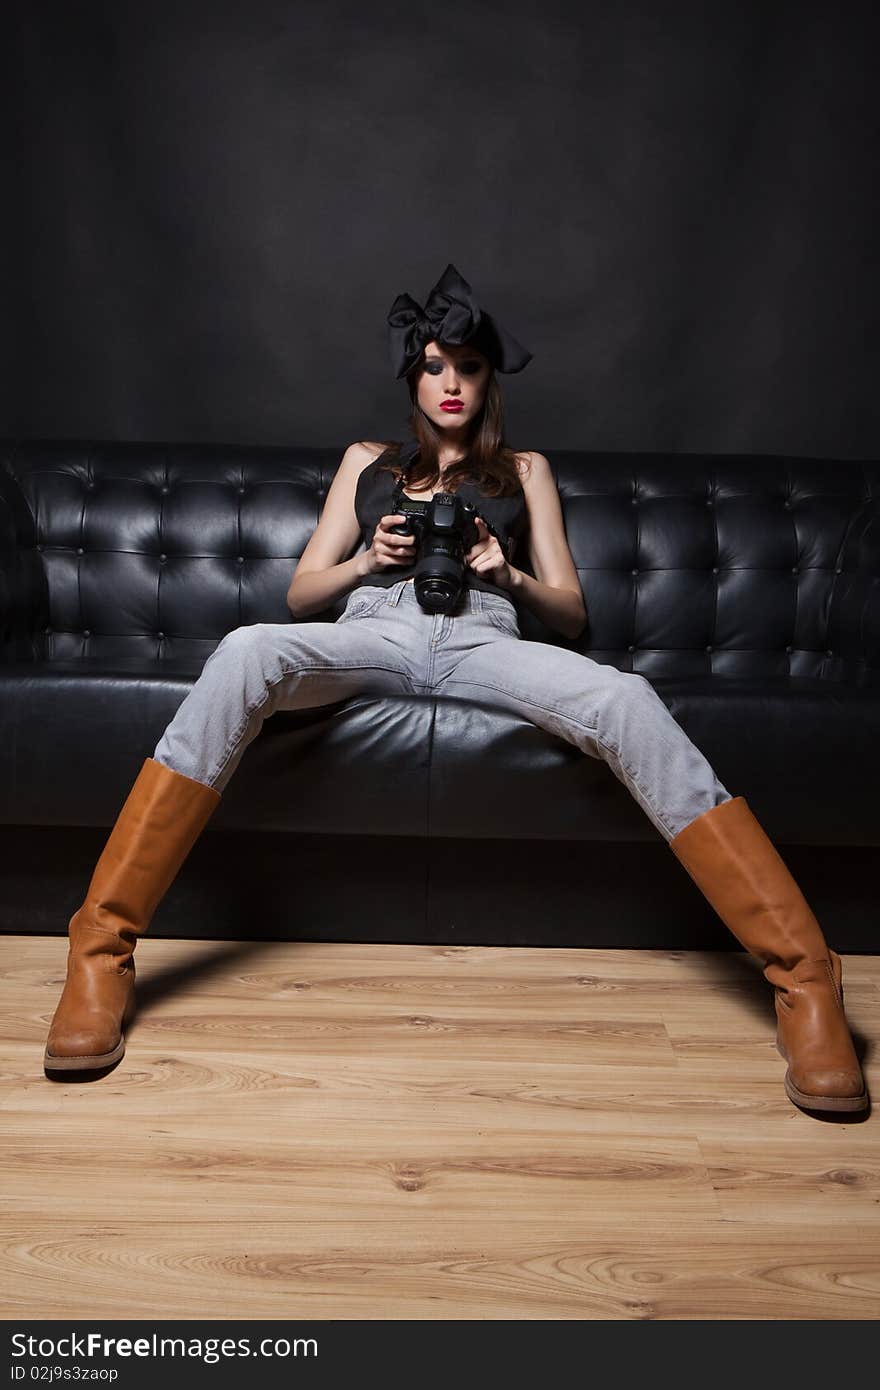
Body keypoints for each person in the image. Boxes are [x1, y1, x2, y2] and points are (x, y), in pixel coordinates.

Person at [43, 263, 868, 1117]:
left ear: (488, 380)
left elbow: (573, 612)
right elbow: (299, 595)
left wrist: (503, 570)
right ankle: (100, 949)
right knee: (249, 648)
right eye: (435, 366)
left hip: (485, 634)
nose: (451, 384)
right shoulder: (367, 462)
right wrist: (372, 558)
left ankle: (806, 977)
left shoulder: (526, 470)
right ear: (415, 376)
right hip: (375, 628)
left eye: (468, 368)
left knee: (625, 700)